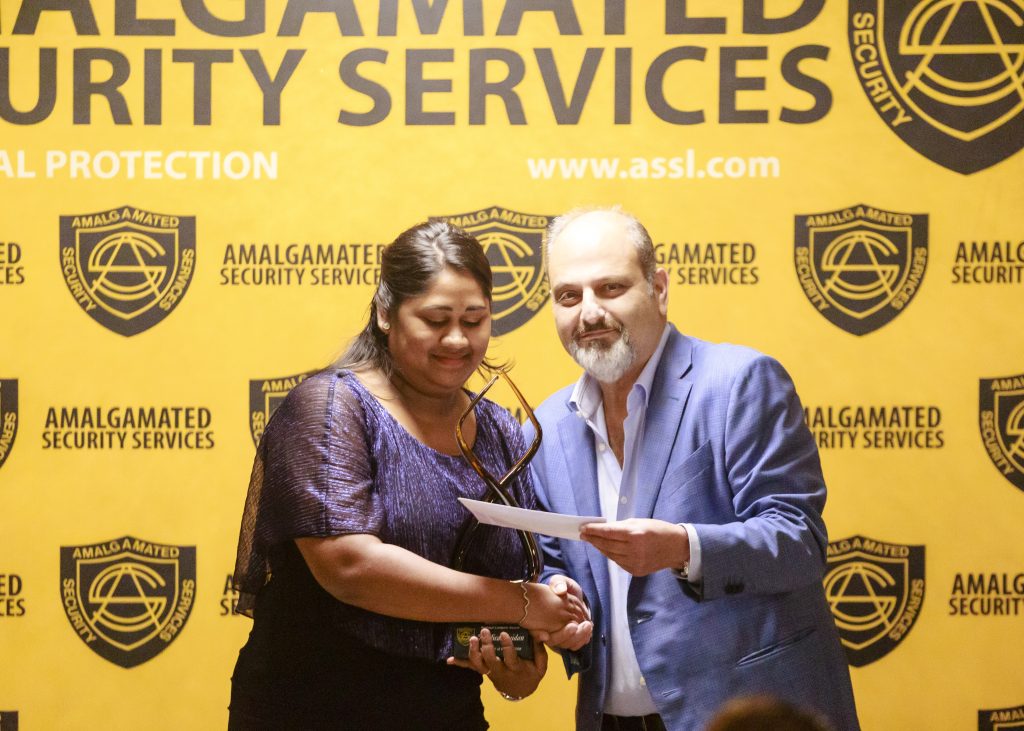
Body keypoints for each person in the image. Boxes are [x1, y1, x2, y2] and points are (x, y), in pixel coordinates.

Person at [229, 221, 589, 730]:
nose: (457, 339)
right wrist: (526, 604)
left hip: (447, 711)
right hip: (310, 706)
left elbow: (511, 600)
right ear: (384, 312)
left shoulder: (500, 430)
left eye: (474, 320)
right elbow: (350, 567)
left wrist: (518, 665)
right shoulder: (331, 407)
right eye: (435, 320)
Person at [523, 207, 860, 731]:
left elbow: (799, 542)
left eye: (611, 288)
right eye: (569, 296)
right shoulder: (544, 427)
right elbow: (553, 564)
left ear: (658, 288)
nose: (589, 313)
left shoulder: (741, 382)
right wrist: (560, 600)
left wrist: (683, 547)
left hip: (746, 718)